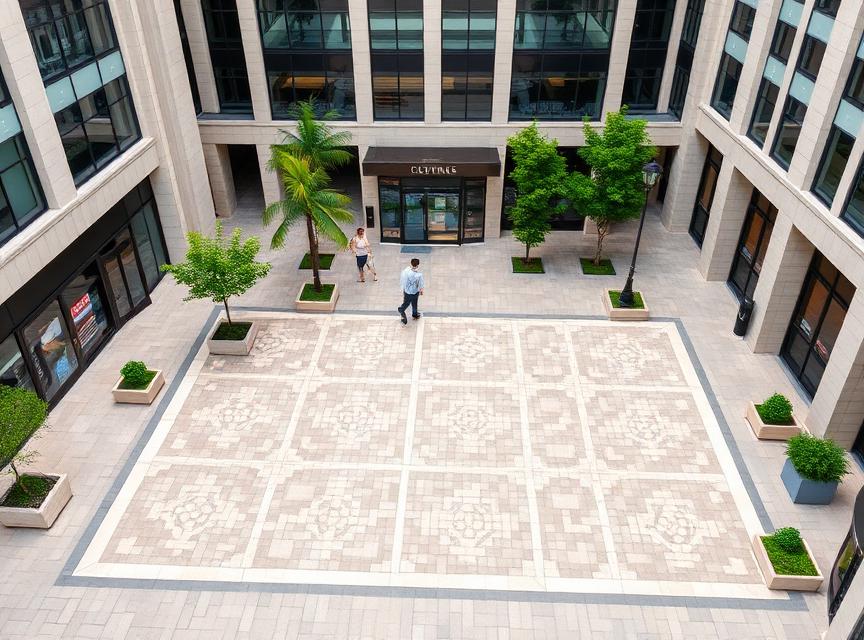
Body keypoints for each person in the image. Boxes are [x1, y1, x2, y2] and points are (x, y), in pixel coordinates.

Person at [398, 258, 424, 325]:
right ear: (417, 265)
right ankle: (413, 314)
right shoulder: (419, 275)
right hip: (414, 292)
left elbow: (403, 280)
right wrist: (421, 290)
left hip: (407, 291)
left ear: (411, 264)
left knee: (406, 302)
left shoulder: (406, 271)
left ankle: (404, 310)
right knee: (414, 303)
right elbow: (421, 284)